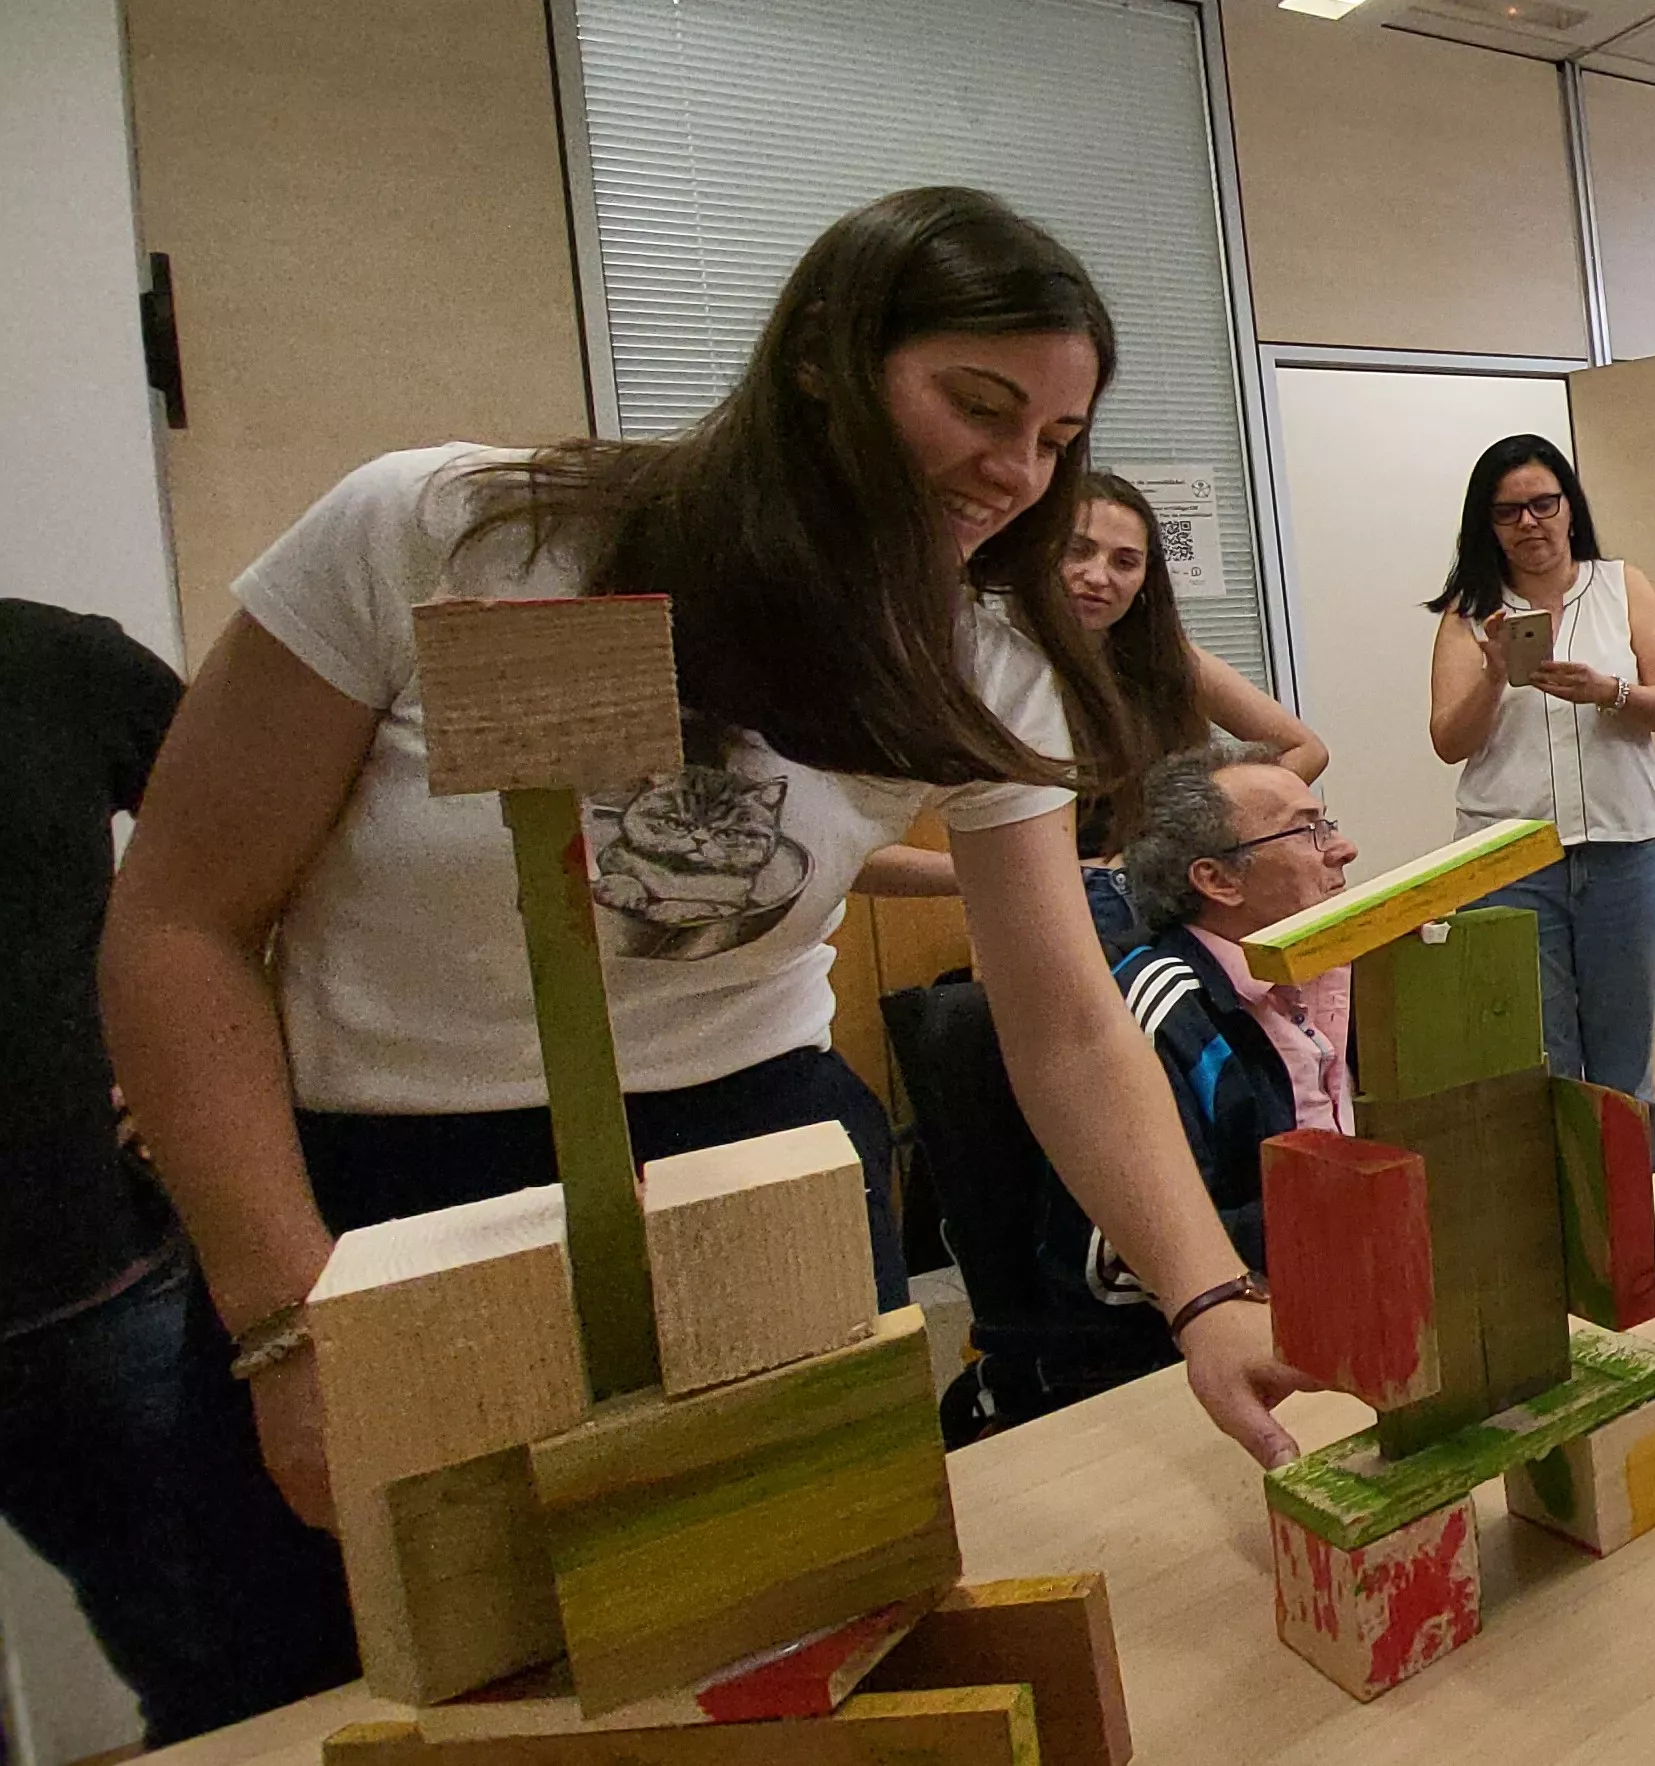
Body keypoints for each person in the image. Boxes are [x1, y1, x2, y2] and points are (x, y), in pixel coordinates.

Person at [98, 188, 1317, 1497]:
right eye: (977, 405)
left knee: (799, 1608)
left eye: (1055, 436)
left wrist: (1207, 1294)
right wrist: (285, 1315)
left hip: (752, 1160)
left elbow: (1065, 1016)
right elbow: (181, 923)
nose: (1018, 472)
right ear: (820, 363)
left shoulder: (986, 656)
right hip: (394, 1186)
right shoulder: (452, 530)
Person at [3, 600, 357, 1744]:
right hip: (89, 1304)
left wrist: (178, 1072)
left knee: (234, 1678)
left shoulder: (49, 662)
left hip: (86, 1289)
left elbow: (267, 869)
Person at [858, 468, 1327, 957]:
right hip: (1044, 929)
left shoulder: (1168, 658)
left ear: (1146, 579)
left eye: (1125, 561)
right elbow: (864, 861)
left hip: (1178, 918)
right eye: (1078, 550)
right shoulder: (983, 670)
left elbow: (1304, 748)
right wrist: (1020, 872)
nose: (1098, 577)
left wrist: (1188, 836)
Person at [1425, 435, 1655, 1142]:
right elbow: (1450, 742)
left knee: (1624, 1071)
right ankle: (1557, 1244)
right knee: (1540, 1069)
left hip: (1623, 851)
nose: (1530, 523)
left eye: (1544, 503)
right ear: (1487, 525)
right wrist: (1492, 673)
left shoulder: (1621, 584)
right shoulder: (1468, 612)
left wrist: (1610, 690)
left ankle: (1649, 1233)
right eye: (1508, 512)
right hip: (1510, 863)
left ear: (1570, 507)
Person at [1108, 742, 1359, 1289]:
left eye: (1329, 824)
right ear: (1219, 881)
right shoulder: (1155, 1013)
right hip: (1220, 1329)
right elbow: (1126, 1257)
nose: (1344, 849)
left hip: (1355, 1276)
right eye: (1307, 831)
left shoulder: (1344, 971)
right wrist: (1357, 1207)